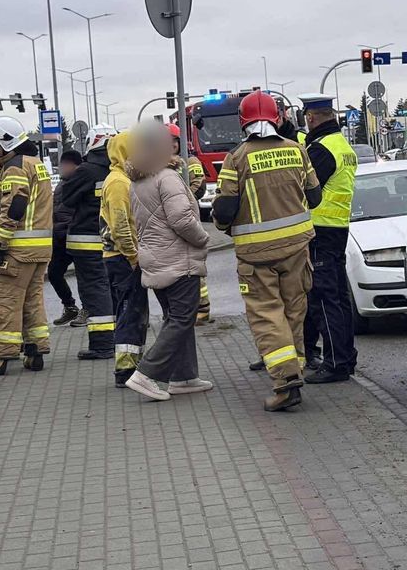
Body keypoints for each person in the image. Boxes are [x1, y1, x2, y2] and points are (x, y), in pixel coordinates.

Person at [213, 91, 321, 411]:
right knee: (293, 312)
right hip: (297, 249)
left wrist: (221, 227)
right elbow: (313, 197)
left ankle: (286, 383)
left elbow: (225, 209)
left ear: (242, 122)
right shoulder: (297, 151)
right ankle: (296, 368)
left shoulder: (237, 158)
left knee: (267, 315)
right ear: (278, 118)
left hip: (255, 255)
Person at [124, 121, 212, 402]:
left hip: (155, 260)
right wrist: (203, 238)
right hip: (178, 260)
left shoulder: (138, 180)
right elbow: (181, 219)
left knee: (176, 319)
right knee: (183, 318)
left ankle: (184, 377)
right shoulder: (167, 177)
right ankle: (147, 374)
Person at [0, 116, 52, 374]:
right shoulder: (35, 163)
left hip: (17, 249)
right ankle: (35, 351)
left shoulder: (15, 168)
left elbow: (14, 208)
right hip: (39, 249)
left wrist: (1, 244)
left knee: (5, 301)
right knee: (32, 301)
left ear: (7, 143)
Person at [297, 93, 357, 384]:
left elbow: (305, 190)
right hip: (337, 227)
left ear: (310, 117)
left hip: (319, 229)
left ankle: (335, 363)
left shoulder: (320, 149)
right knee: (340, 298)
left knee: (324, 298)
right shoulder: (341, 144)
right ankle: (346, 357)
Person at [62, 124, 116, 360]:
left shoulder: (87, 171)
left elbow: (67, 198)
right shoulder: (119, 170)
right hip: (113, 241)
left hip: (86, 243)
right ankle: (120, 337)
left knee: (95, 292)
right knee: (112, 289)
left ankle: (103, 344)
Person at [100, 131, 149, 388]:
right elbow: (121, 225)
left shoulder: (122, 178)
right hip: (123, 258)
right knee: (130, 312)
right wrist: (133, 256)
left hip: (121, 257)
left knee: (132, 311)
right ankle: (126, 369)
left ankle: (130, 365)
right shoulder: (119, 182)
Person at [168, 123, 210, 324]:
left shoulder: (190, 161)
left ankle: (203, 309)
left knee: (194, 267)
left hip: (188, 217)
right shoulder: (162, 163)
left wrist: (182, 201)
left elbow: (199, 186)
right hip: (173, 221)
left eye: (173, 142)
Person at [49, 150, 87, 326]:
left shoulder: (81, 183)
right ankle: (70, 307)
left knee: (84, 277)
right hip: (59, 239)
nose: (61, 168)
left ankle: (88, 310)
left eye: (65, 165)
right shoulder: (60, 186)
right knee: (54, 273)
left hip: (77, 236)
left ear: (76, 166)